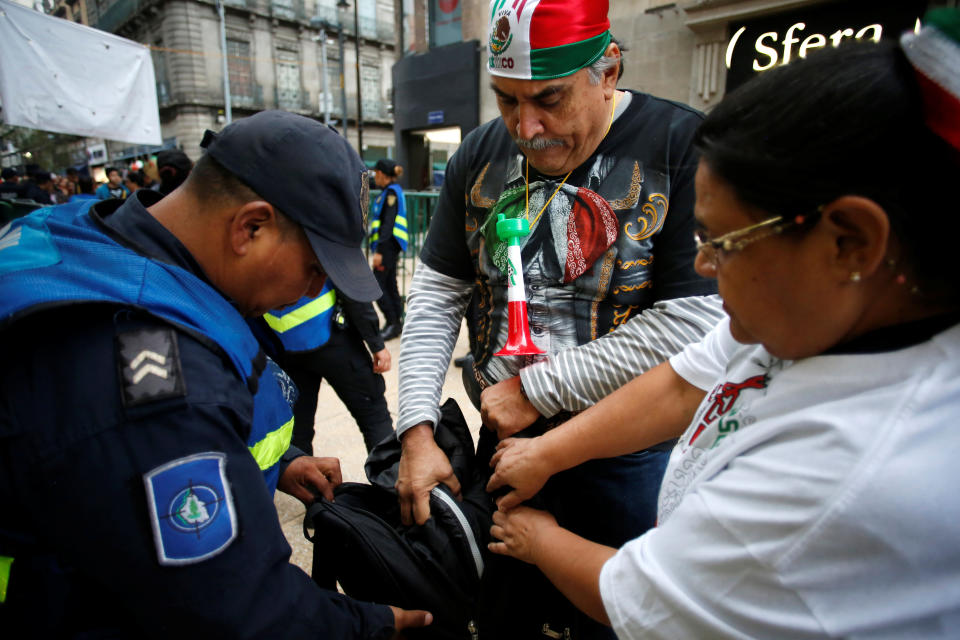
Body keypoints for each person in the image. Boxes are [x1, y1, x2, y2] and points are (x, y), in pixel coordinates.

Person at [486, 19, 960, 639]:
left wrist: (539, 539)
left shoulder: (837, 476)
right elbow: (687, 381)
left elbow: (647, 601)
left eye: (721, 240)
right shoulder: (810, 319)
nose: (703, 265)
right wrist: (547, 453)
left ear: (851, 241)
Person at [0, 110, 431, 637]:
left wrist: (283, 460)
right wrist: (380, 624)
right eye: (316, 269)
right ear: (250, 227)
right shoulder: (160, 384)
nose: (312, 289)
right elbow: (240, 613)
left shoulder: (98, 232)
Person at [395, 0, 719, 636]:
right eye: (507, 101)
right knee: (503, 616)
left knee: (625, 615)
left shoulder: (682, 143)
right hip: (505, 440)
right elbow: (437, 297)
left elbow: (695, 324)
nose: (527, 126)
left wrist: (536, 390)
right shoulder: (478, 155)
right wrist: (416, 429)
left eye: (550, 99)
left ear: (609, 72)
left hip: (626, 448)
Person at [262, 282, 396, 455]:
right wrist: (376, 344)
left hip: (285, 347)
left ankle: (305, 481)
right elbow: (352, 286)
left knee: (298, 434)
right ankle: (388, 479)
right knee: (374, 418)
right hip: (334, 341)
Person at [370, 158, 408, 341]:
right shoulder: (388, 192)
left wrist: (379, 251)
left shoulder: (391, 194)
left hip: (387, 247)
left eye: (376, 173)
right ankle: (396, 324)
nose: (374, 177)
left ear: (382, 174)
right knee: (390, 285)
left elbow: (387, 225)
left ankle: (392, 322)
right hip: (391, 246)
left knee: (376, 285)